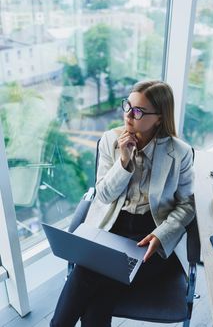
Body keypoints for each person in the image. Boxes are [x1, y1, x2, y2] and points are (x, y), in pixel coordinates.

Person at [50, 80, 195, 327]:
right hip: (112, 226)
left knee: (89, 277)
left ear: (159, 118)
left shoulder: (179, 152)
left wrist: (162, 235)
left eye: (138, 111)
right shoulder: (110, 140)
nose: (128, 114)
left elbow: (187, 205)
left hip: (151, 235)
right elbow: (104, 195)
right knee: (97, 283)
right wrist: (124, 161)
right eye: (127, 105)